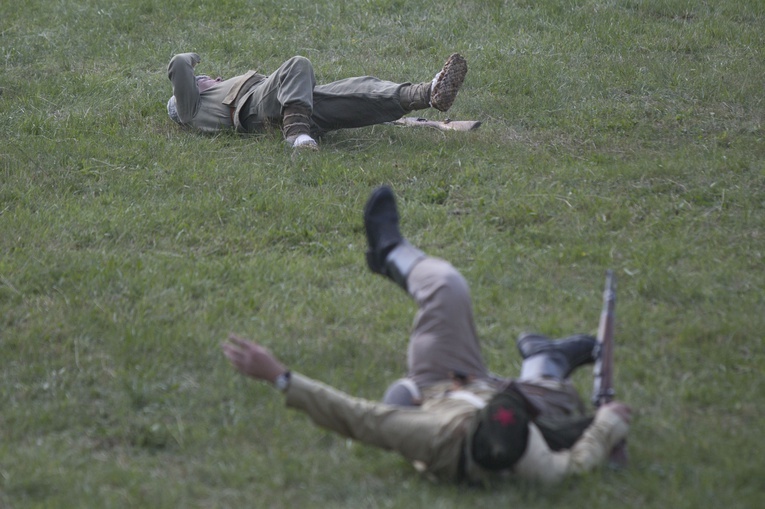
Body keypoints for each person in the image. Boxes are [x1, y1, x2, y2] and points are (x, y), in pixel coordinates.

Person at [222, 186, 631, 485]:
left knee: (436, 313)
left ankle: (392, 257)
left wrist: (279, 376)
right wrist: (606, 425)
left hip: (433, 389)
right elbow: (576, 462)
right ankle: (547, 358)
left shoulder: (434, 437)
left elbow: (359, 418)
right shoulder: (533, 453)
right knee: (561, 399)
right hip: (480, 387)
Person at [167, 52, 468, 150]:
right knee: (297, 64)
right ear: (191, 90)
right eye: (205, 78)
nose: (215, 78)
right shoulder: (190, 108)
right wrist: (195, 61)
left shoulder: (202, 102)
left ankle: (427, 93)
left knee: (359, 90)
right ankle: (296, 134)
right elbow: (179, 63)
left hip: (287, 106)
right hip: (259, 107)